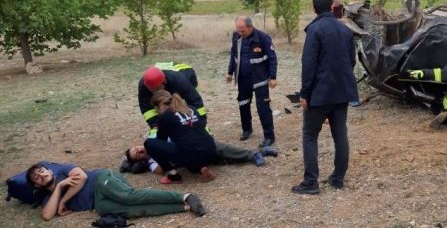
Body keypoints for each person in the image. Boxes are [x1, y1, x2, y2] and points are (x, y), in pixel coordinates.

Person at [292, 0, 358, 195]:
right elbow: (351, 61)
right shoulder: (345, 30)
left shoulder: (314, 30)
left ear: (314, 9)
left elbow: (308, 64)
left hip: (319, 94)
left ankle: (311, 182)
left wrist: (305, 93)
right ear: (331, 7)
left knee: (310, 135)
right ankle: (338, 178)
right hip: (342, 91)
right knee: (340, 134)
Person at [25, 161, 206, 221]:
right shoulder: (50, 195)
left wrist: (63, 202)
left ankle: (186, 196)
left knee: (128, 197)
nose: (40, 175)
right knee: (131, 211)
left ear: (49, 170)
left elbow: (82, 177)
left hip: (101, 180)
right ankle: (185, 207)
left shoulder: (64, 170)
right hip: (98, 204)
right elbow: (47, 216)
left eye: (41, 171)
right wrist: (58, 188)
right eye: (36, 177)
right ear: (37, 185)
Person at [144, 90, 217, 184]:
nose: (158, 112)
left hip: (192, 154)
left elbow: (161, 141)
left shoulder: (165, 116)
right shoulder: (191, 108)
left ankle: (173, 176)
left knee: (149, 144)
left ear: (160, 106)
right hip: (211, 151)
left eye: (156, 109)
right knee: (188, 149)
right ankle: (201, 168)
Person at [226, 15, 278, 147]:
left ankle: (269, 136)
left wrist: (273, 77)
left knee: (263, 108)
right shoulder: (236, 37)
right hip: (243, 79)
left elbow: (272, 58)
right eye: (238, 30)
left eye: (242, 30)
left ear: (250, 27)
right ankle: (247, 129)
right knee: (243, 104)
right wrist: (230, 72)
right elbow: (234, 56)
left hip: (260, 79)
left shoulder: (263, 37)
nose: (240, 33)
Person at [123, 139, 278, 173]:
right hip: (193, 159)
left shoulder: (153, 137)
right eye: (136, 154)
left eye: (136, 148)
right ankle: (260, 152)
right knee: (225, 159)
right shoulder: (151, 161)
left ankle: (255, 153)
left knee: (222, 149)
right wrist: (151, 157)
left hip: (193, 142)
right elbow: (158, 170)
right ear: (140, 160)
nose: (138, 150)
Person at [138, 62, 207, 137]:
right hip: (170, 79)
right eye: (151, 90)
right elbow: (147, 109)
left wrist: (201, 123)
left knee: (183, 105)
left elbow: (196, 102)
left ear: (164, 81)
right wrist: (156, 127)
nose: (154, 92)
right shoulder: (143, 85)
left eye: (157, 89)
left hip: (187, 73)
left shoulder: (180, 81)